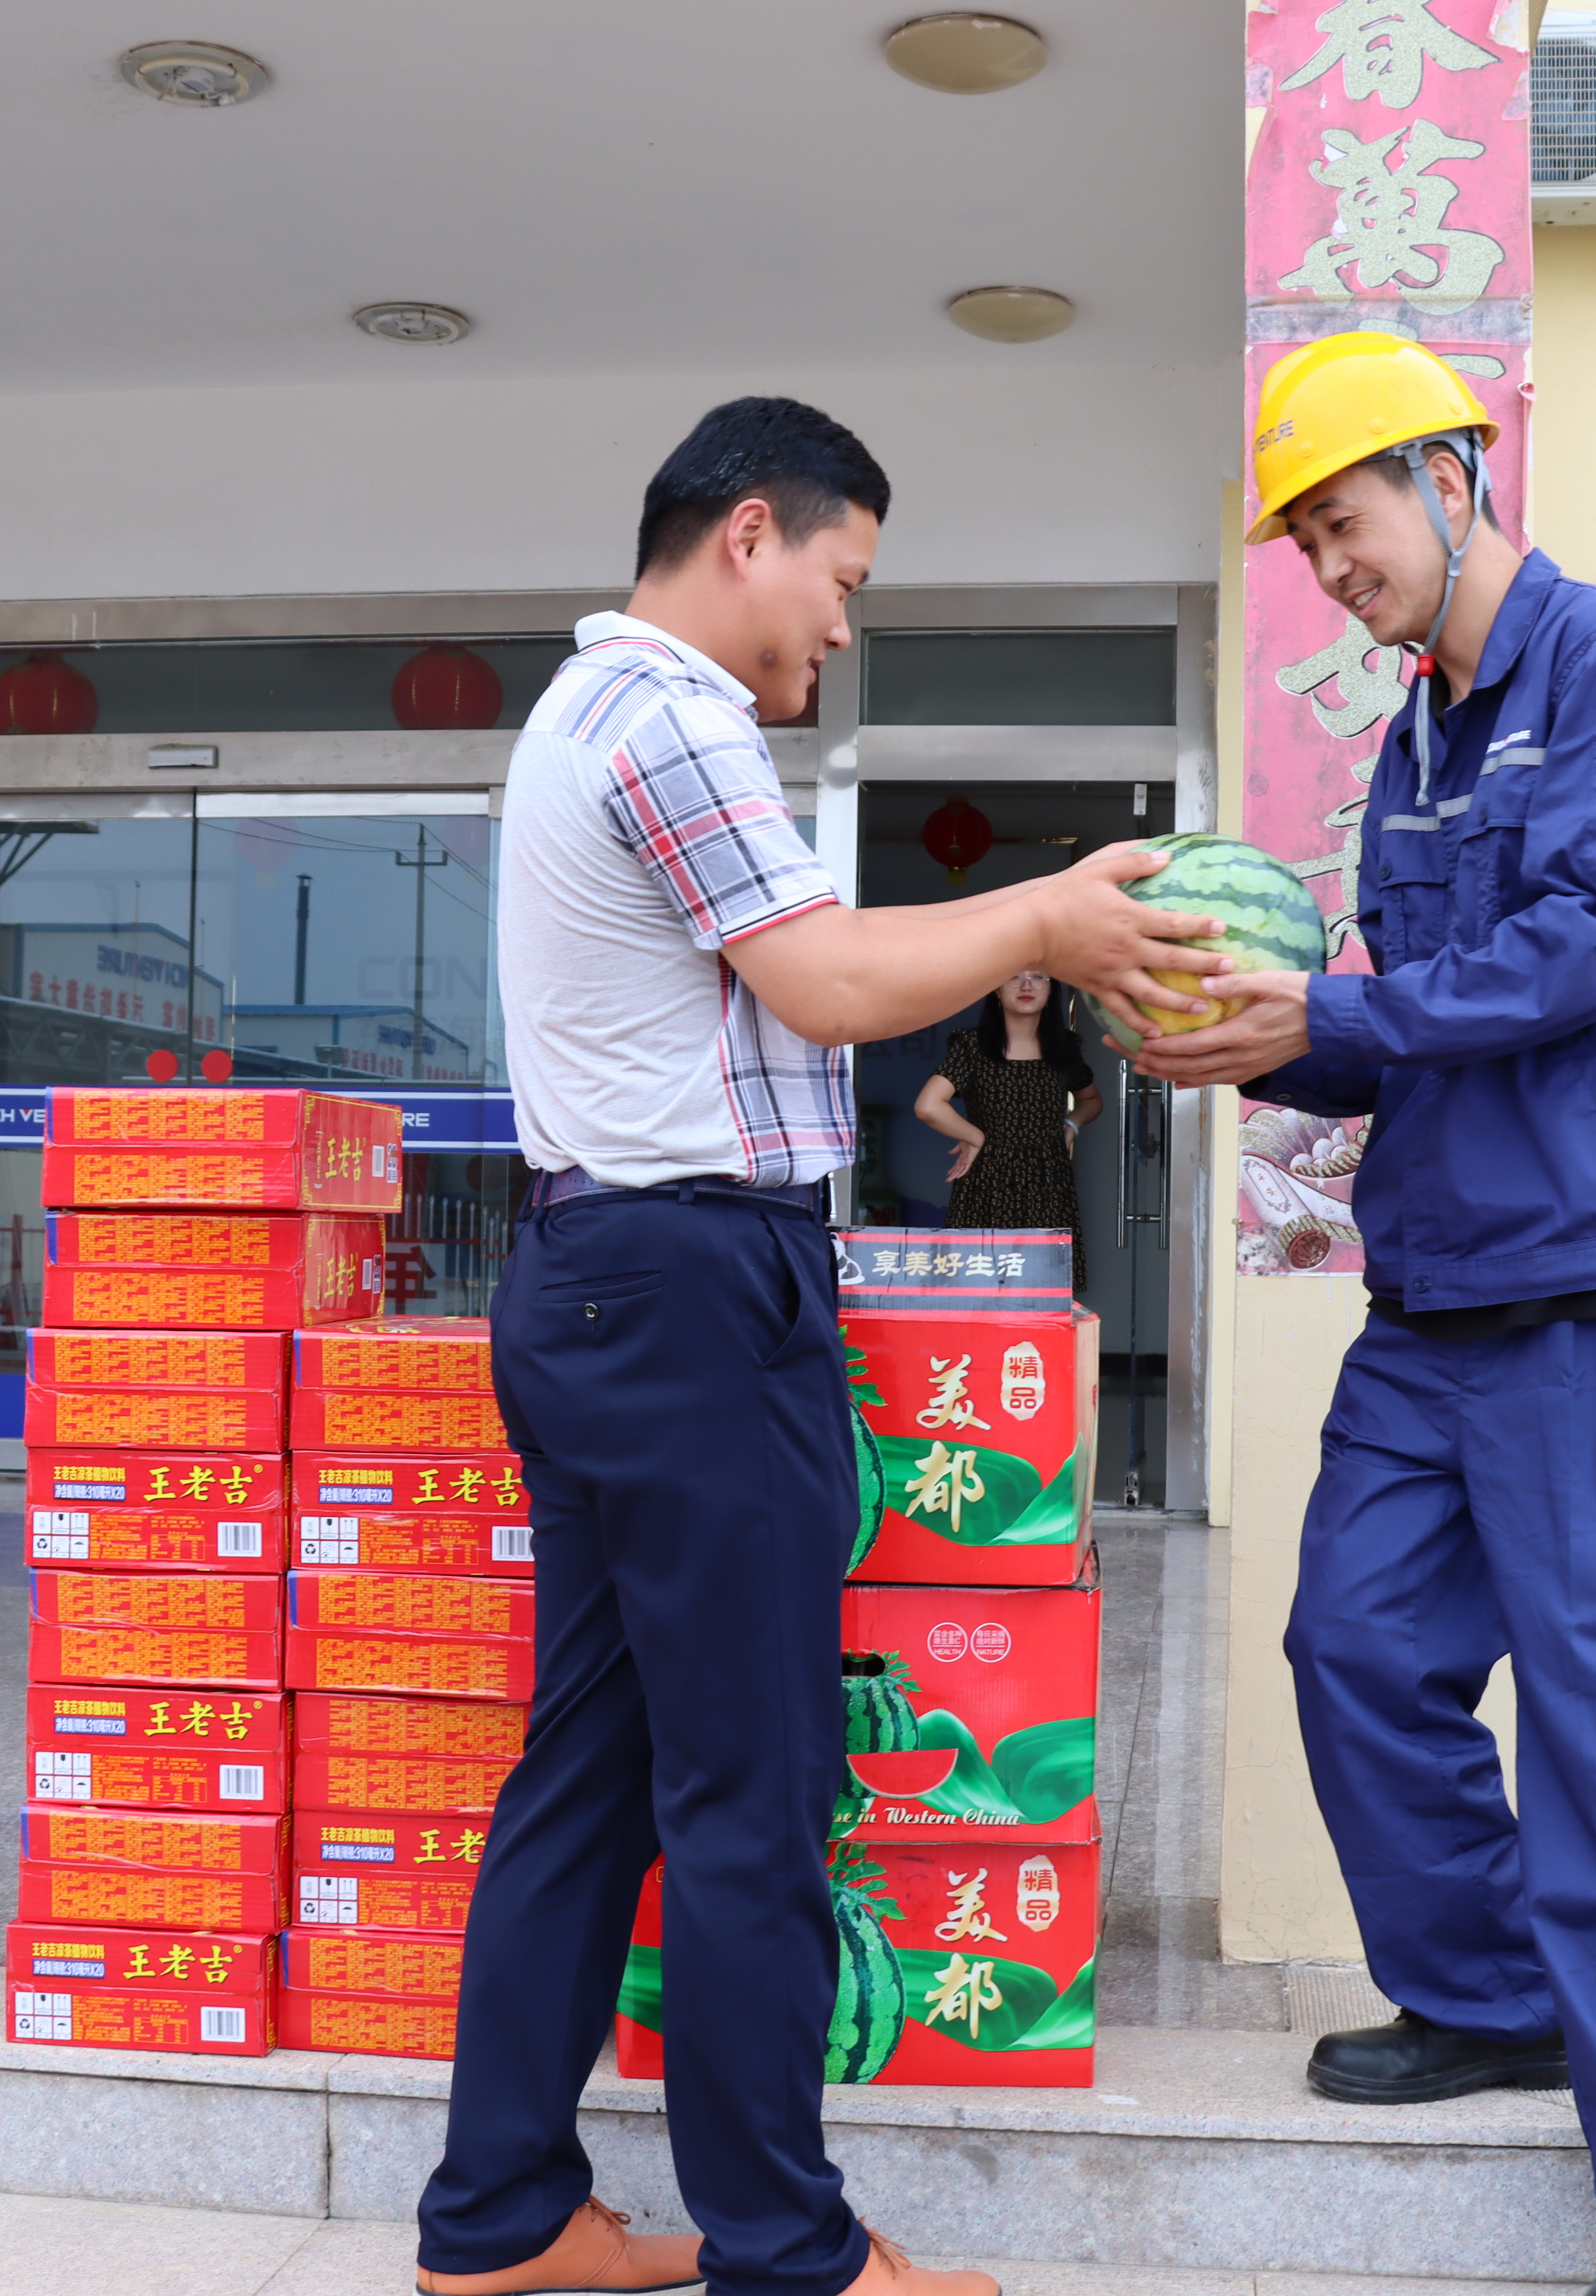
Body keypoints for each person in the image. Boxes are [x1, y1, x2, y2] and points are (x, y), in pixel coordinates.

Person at [413, 396, 1223, 2296]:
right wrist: (1041, 907)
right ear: (747, 532)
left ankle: (501, 2214)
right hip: (690, 1299)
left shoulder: (579, 712)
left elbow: (802, 965)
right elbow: (832, 977)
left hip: (604, 1284)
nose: (836, 631)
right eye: (839, 583)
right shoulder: (668, 711)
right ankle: (783, 2245)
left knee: (591, 1770)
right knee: (749, 1789)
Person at [1128, 332, 1596, 2296]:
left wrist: (1324, 1009)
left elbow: (1584, 944)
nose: (1330, 567)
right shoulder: (1412, 736)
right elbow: (1407, 1033)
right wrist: (1242, 1040)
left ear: (1450, 469)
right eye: (1307, 545)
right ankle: (1490, 1993)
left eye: (1343, 521)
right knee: (1349, 1643)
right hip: (1436, 1302)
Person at [912, 970, 1099, 1287]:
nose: (1027, 986)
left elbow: (1091, 1100)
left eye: (1039, 977)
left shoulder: (1064, 1049)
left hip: (1049, 1184)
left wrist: (1071, 1124)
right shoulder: (972, 1046)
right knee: (978, 1286)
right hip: (987, 1184)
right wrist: (975, 1136)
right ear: (996, 988)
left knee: (1045, 1291)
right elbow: (928, 1106)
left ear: (1051, 989)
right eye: (1014, 976)